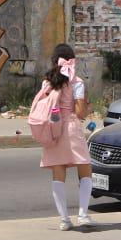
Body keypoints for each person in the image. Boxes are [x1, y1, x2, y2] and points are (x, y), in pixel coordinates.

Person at [35, 44, 93, 230]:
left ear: (54, 61)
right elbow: (80, 112)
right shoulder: (77, 82)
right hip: (71, 127)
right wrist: (88, 107)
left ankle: (64, 220)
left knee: (58, 173)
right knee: (85, 169)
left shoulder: (47, 82)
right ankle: (83, 215)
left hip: (53, 128)